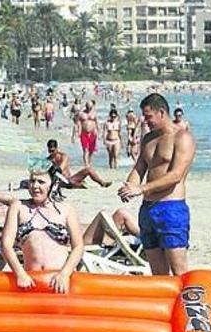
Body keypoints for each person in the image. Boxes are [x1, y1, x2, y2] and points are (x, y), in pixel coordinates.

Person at [0, 163, 87, 332]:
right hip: (33, 286)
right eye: (32, 181)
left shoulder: (66, 209)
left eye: (41, 182)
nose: (35, 186)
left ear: (53, 184)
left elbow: (78, 246)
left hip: (60, 286)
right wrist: (19, 273)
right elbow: (6, 244)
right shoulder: (18, 207)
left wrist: (65, 273)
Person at [118, 93, 195, 276]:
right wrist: (129, 186)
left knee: (178, 269)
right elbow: (139, 168)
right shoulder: (148, 139)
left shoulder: (182, 137)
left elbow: (175, 175)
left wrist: (141, 188)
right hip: (147, 209)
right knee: (158, 273)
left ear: (161, 112)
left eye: (148, 116)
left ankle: (185, 304)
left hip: (171, 208)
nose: (145, 121)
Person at [46, 139, 111, 189]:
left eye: (53, 151)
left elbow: (61, 168)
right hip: (59, 181)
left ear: (57, 148)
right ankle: (78, 184)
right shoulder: (48, 160)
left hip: (68, 179)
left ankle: (102, 183)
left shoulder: (63, 156)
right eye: (50, 151)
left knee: (88, 169)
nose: (51, 153)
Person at [75, 100, 99, 167]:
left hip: (92, 133)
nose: (89, 108)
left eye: (90, 107)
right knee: (85, 149)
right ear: (86, 106)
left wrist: (98, 131)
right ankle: (86, 164)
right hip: (84, 133)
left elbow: (96, 123)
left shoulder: (94, 113)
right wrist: (78, 132)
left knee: (91, 149)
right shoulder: (81, 114)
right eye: (88, 107)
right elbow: (78, 123)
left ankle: (89, 161)